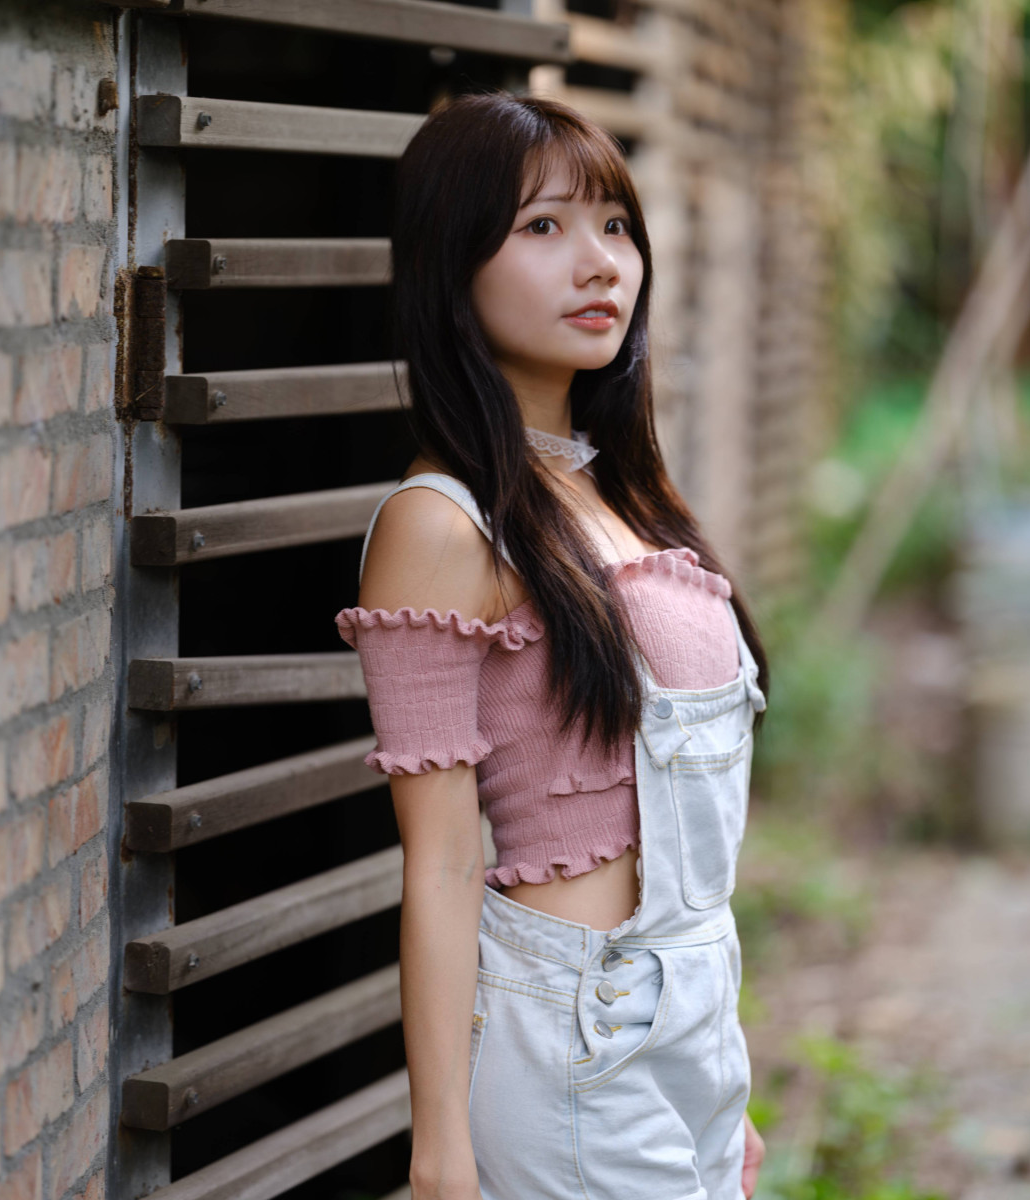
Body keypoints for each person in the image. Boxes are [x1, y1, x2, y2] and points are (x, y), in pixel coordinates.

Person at [334, 92, 773, 1200]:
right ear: (452, 265)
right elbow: (437, 863)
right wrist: (440, 1152)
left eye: (614, 225)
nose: (600, 264)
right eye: (544, 228)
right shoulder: (441, 526)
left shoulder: (619, 492)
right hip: (571, 1034)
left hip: (689, 1018)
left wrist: (719, 1073)